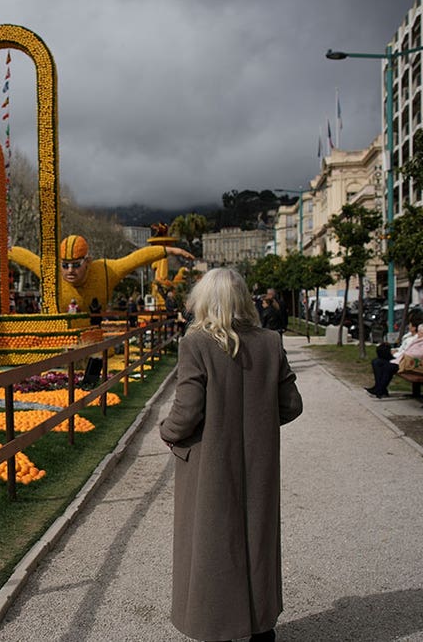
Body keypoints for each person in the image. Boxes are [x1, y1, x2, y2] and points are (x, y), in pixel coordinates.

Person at [158, 267, 303, 642]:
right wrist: (260, 426)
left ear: (203, 301)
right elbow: (291, 404)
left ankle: (216, 627)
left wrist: (167, 433)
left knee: (210, 545)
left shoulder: (197, 344)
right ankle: (260, 628)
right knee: (257, 540)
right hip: (259, 464)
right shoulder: (271, 341)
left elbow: (187, 411)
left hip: (209, 464)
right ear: (243, 299)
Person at [8, 234, 193, 313]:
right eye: (65, 265)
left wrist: (170, 251)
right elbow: (25, 257)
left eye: (76, 265)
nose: (70, 271)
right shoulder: (51, 273)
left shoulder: (105, 271)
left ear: (88, 262)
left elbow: (136, 258)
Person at [367, 317, 422, 398]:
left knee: (387, 366)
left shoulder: (415, 339)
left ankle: (380, 389)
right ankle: (380, 388)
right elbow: (402, 348)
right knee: (376, 362)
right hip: (398, 356)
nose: (408, 327)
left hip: (403, 360)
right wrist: (395, 350)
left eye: (410, 325)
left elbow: (408, 352)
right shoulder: (408, 336)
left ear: (414, 328)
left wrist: (394, 353)